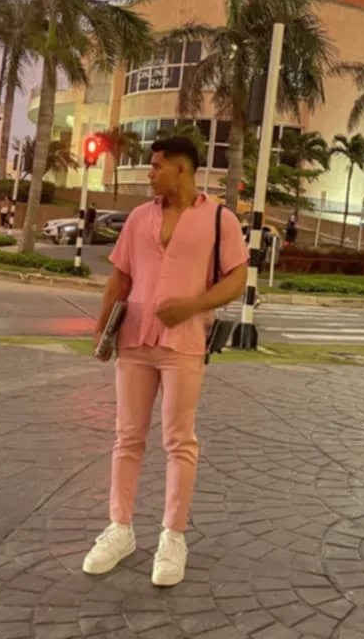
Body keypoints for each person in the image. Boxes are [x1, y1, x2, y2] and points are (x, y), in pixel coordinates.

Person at [84, 136, 248, 587]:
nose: (150, 173)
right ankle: (119, 529)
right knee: (127, 437)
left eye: (157, 166)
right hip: (134, 340)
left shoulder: (220, 219)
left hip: (184, 344)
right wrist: (101, 329)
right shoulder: (139, 217)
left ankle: (173, 538)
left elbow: (236, 279)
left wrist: (192, 305)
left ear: (181, 168)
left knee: (179, 441)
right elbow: (120, 277)